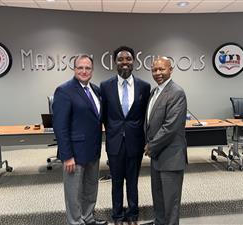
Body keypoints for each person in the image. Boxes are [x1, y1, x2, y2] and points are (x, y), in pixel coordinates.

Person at [53, 55, 107, 225]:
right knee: (73, 192)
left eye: (88, 68)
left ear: (92, 70)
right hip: (74, 154)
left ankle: (88, 217)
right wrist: (67, 155)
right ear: (74, 69)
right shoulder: (64, 90)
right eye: (80, 68)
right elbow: (60, 127)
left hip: (93, 150)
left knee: (91, 188)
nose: (84, 71)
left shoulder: (96, 90)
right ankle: (76, 221)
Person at [100, 46, 151, 225]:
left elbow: (146, 115)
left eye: (128, 59)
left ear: (134, 62)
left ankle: (133, 214)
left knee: (132, 181)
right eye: (121, 59)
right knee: (116, 182)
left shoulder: (144, 87)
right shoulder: (105, 86)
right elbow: (104, 115)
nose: (124, 62)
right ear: (115, 62)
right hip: (114, 142)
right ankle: (117, 216)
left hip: (135, 142)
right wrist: (114, 131)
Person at [143, 56, 187, 225]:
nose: (158, 73)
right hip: (157, 155)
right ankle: (159, 222)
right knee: (159, 196)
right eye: (154, 70)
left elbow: (170, 126)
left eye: (162, 69)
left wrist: (151, 146)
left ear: (171, 70)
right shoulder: (155, 91)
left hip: (171, 155)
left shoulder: (176, 92)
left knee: (171, 201)